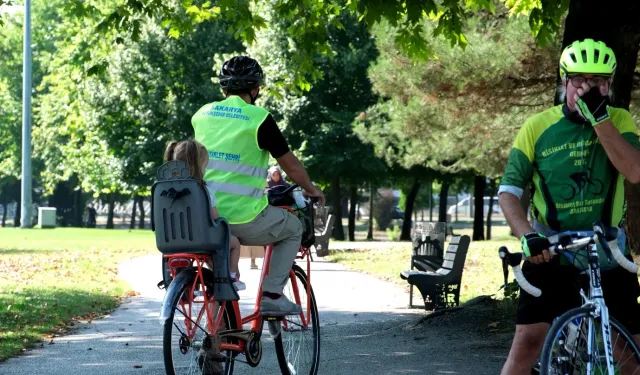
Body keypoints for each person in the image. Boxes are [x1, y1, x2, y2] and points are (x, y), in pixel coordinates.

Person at [498, 39, 640, 375]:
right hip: (550, 250)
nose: (589, 88)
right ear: (564, 82)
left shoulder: (619, 120)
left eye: (600, 81)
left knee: (632, 356)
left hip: (606, 250)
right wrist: (526, 235)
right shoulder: (537, 127)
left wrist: (599, 118)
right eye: (580, 79)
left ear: (610, 83)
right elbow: (509, 192)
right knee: (527, 343)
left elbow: (634, 171)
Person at [192, 55, 325, 315]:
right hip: (246, 217)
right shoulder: (259, 118)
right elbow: (290, 165)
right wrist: (311, 189)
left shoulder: (202, 114)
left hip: (206, 217)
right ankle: (272, 294)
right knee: (293, 228)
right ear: (256, 89)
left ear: (223, 89)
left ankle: (217, 346)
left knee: (222, 277)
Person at [164, 139, 245, 292]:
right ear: (198, 165)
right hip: (202, 240)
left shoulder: (165, 190)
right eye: (205, 166)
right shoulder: (203, 190)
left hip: (171, 241)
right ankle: (232, 278)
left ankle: (187, 287)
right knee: (234, 243)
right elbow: (215, 219)